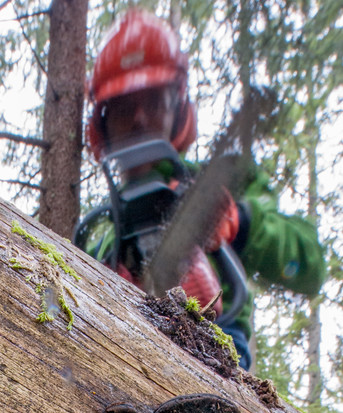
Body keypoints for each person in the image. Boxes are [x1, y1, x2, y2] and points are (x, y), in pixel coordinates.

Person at [75, 8, 326, 371]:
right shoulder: (102, 238)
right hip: (120, 362)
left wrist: (240, 223)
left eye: (152, 101)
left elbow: (311, 264)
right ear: (103, 123)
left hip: (220, 361)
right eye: (125, 107)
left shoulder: (219, 185)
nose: (140, 118)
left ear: (177, 107)